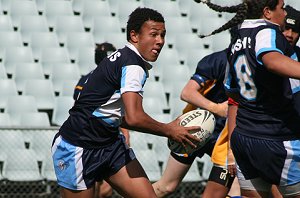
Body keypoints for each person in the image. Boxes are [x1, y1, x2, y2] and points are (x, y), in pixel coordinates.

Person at [51, 7, 201, 198]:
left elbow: (119, 117)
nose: (160, 41)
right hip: (78, 147)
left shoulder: (127, 59)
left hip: (110, 144)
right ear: (134, 36)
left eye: (163, 35)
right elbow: (135, 117)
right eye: (153, 34)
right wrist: (169, 130)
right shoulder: (132, 65)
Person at [196, 0, 300, 197]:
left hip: (244, 139)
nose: (285, 13)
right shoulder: (266, 31)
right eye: (282, 7)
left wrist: (233, 145)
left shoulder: (238, 38)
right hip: (276, 138)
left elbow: (233, 94)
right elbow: (272, 61)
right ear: (267, 12)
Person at [152, 46, 240, 197]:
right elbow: (187, 93)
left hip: (225, 139)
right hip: (196, 129)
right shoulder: (218, 60)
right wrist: (217, 108)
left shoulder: (257, 63)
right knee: (166, 187)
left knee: (234, 191)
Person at [73, 42, 129, 198]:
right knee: (91, 185)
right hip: (88, 138)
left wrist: (125, 134)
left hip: (108, 139)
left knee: (104, 189)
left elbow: (121, 111)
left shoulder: (117, 80)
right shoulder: (87, 80)